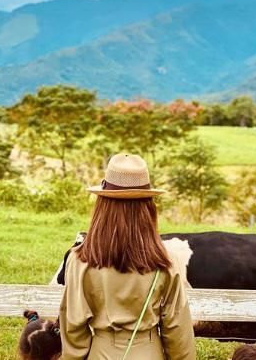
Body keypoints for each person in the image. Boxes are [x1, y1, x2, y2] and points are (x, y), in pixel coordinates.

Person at [59, 153, 196, 360]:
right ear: (148, 206)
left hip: (101, 352)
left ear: (102, 206)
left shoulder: (80, 258)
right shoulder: (165, 259)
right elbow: (177, 328)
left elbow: (73, 327)